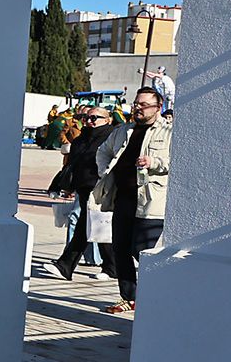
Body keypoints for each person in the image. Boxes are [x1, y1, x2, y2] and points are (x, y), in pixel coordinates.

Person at [93, 87, 172, 314]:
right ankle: (129, 297)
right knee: (120, 248)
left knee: (142, 250)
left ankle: (153, 296)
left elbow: (175, 161)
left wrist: (153, 162)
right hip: (123, 198)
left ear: (158, 107)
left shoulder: (168, 132)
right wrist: (105, 173)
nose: (138, 108)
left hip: (151, 201)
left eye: (143, 105)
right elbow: (103, 151)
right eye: (136, 103)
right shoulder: (123, 130)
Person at [49, 107, 116, 279]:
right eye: (87, 117)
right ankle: (112, 266)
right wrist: (61, 185)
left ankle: (65, 265)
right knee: (96, 224)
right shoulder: (81, 138)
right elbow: (71, 164)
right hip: (83, 187)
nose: (90, 121)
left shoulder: (111, 137)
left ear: (107, 120)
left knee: (86, 225)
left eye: (95, 118)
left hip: (101, 188)